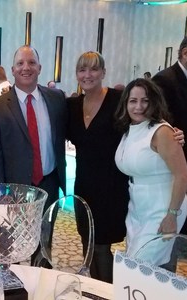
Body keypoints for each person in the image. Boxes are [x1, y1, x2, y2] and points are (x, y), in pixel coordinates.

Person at [0, 46, 67, 266]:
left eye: (31, 63)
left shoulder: (57, 99)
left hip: (48, 183)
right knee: (10, 245)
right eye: (21, 63)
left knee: (44, 243)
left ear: (40, 68)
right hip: (14, 189)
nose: (26, 67)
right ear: (12, 69)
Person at [66, 51, 129, 283]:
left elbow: (145, 123)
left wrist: (170, 132)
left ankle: (108, 292)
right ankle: (95, 289)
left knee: (101, 246)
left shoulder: (118, 99)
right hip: (83, 186)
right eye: (82, 70)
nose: (87, 75)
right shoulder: (72, 105)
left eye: (93, 69)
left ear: (103, 72)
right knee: (87, 243)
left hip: (111, 187)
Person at [114, 78, 187, 266]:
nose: (138, 106)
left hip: (164, 207)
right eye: (133, 101)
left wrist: (172, 214)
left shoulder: (162, 131)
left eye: (145, 100)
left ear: (154, 102)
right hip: (138, 208)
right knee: (142, 266)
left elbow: (183, 176)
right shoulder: (129, 130)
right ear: (126, 104)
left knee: (138, 266)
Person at [152, 33, 187, 238]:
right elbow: (155, 124)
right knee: (174, 239)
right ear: (186, 53)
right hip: (176, 170)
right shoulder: (164, 81)